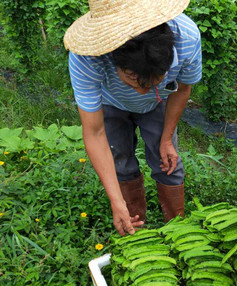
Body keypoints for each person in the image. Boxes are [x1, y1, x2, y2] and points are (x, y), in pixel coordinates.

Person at [63, 0, 202, 236]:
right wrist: (115, 202)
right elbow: (95, 133)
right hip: (109, 104)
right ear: (112, 58)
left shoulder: (187, 38)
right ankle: (134, 226)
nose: (141, 91)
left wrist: (167, 138)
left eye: (154, 81)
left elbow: (182, 89)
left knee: (168, 161)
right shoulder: (87, 58)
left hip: (160, 103)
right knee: (121, 161)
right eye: (132, 81)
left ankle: (178, 230)